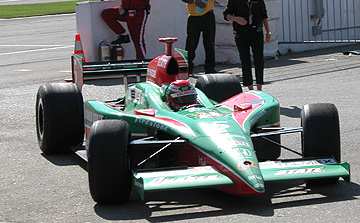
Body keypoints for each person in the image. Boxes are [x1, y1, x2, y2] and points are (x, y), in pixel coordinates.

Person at [223, 0, 271, 91]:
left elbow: (264, 15)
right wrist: (236, 19)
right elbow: (226, 15)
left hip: (256, 32)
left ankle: (259, 88)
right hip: (241, 33)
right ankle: (250, 88)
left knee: (259, 60)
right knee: (245, 60)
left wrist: (268, 32)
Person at [182, 0, 217, 75]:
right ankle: (188, 67)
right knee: (191, 44)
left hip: (208, 14)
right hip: (193, 16)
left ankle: (210, 67)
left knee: (209, 42)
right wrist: (195, 1)